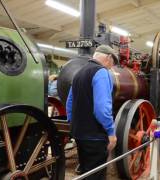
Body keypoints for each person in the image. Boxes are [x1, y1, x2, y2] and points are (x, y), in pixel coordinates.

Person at [66, 45, 118, 179]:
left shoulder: (78, 73)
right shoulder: (101, 72)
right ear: (108, 58)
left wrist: (73, 124)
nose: (111, 67)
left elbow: (69, 103)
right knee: (96, 175)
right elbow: (102, 108)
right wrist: (111, 132)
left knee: (85, 172)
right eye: (112, 63)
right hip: (95, 136)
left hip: (79, 134)